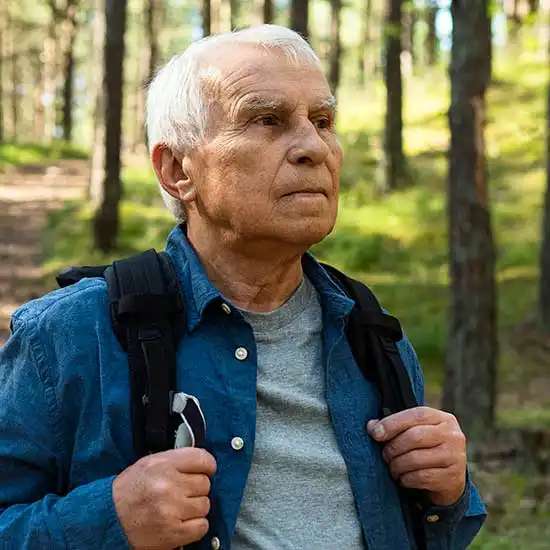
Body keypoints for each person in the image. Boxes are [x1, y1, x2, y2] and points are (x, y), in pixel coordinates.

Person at [0, 24, 486, 550]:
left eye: (323, 121)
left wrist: (449, 494)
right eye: (267, 120)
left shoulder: (372, 335)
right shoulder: (72, 334)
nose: (313, 147)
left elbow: (429, 533)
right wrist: (109, 519)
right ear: (177, 169)